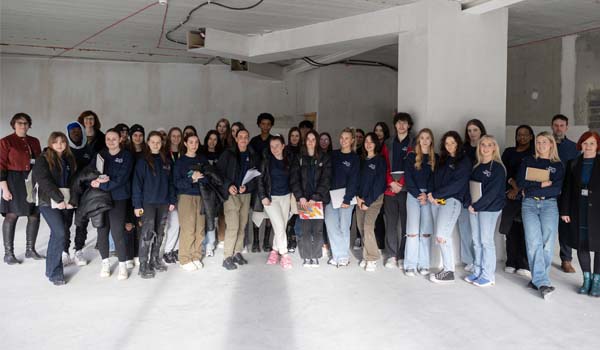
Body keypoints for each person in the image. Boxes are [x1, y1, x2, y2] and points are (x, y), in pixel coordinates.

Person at [517, 131, 565, 299]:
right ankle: (543, 281)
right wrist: (541, 184)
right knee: (533, 242)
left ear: (551, 144)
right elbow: (521, 184)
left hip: (549, 205)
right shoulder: (528, 161)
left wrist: (530, 188)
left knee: (547, 243)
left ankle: (537, 279)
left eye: (545, 142)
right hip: (529, 205)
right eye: (538, 142)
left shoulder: (557, 165)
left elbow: (556, 189)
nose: (541, 145)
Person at [33, 132, 76, 285]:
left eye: (63, 142)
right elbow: (44, 180)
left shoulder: (69, 159)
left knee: (59, 233)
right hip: (47, 201)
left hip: (65, 201)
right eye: (56, 142)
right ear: (50, 143)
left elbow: (74, 181)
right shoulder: (42, 159)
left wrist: (72, 200)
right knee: (59, 232)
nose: (59, 145)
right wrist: (57, 199)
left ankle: (50, 268)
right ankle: (55, 273)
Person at [560, 131, 600, 297]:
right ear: (580, 145)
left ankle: (597, 282)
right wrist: (565, 211)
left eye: (592, 143)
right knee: (581, 243)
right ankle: (587, 279)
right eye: (585, 143)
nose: (588, 146)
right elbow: (567, 188)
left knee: (599, 246)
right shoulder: (573, 163)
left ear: (597, 145)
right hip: (578, 209)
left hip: (598, 210)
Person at [428, 131, 471, 284]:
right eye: (447, 143)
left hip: (452, 201)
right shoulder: (443, 160)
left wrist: (437, 194)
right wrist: (432, 195)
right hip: (437, 202)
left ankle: (449, 271)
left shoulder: (463, 161)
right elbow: (435, 178)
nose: (450, 146)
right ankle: (446, 269)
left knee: (442, 235)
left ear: (458, 143)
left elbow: (457, 184)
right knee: (441, 236)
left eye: (453, 142)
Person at [91, 129, 133, 280]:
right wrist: (95, 180)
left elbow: (121, 179)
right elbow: (92, 171)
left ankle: (122, 265)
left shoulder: (126, 156)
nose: (111, 141)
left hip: (119, 199)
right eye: (108, 138)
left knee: (117, 232)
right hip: (101, 199)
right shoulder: (100, 154)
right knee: (102, 231)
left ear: (120, 139)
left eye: (114, 138)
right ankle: (105, 263)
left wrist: (102, 184)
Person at [132, 131, 176, 278]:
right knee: (147, 234)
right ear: (148, 143)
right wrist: (137, 205)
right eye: (153, 142)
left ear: (161, 143)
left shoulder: (166, 160)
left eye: (158, 142)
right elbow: (137, 184)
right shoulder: (143, 161)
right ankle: (143, 265)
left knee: (160, 232)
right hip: (148, 203)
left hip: (163, 203)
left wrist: (171, 200)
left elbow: (171, 183)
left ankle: (155, 259)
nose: (156, 144)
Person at [464, 136, 506, 287]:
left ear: (494, 148)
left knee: (486, 241)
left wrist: (476, 206)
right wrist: (470, 204)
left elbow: (492, 193)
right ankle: (477, 270)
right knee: (476, 240)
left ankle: (488, 275)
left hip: (489, 208)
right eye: (483, 145)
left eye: (489, 145)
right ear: (479, 147)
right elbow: (469, 187)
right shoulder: (477, 166)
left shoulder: (498, 168)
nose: (486, 148)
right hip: (474, 208)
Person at [1, 113, 42, 264]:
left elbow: (39, 161)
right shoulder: (5, 142)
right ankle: (8, 253)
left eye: (26, 123)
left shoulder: (34, 141)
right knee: (12, 215)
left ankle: (30, 250)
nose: (23, 126)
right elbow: (1, 166)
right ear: (14, 124)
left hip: (32, 179)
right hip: (13, 180)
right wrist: (4, 188)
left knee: (34, 214)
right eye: (20, 123)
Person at [217, 128, 259, 270]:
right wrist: (228, 186)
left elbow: (256, 175)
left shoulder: (253, 154)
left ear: (248, 139)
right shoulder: (228, 154)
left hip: (245, 195)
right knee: (233, 226)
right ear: (236, 139)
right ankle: (227, 256)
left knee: (242, 225)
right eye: (240, 137)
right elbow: (219, 174)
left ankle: (237, 252)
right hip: (231, 195)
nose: (243, 139)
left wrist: (247, 187)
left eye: (245, 137)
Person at [290, 130, 331, 267]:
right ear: (305, 140)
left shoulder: (324, 158)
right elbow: (294, 179)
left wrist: (316, 197)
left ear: (317, 141)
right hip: (304, 200)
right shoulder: (299, 158)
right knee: (305, 230)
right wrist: (300, 196)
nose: (311, 141)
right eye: (308, 139)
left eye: (314, 139)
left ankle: (316, 256)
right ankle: (307, 257)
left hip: (318, 201)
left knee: (318, 230)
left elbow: (326, 180)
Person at [499, 125, 534, 277]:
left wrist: (517, 188)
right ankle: (511, 261)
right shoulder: (509, 152)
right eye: (519, 134)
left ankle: (524, 263)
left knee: (525, 230)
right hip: (510, 196)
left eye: (525, 134)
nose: (522, 137)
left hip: (526, 196)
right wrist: (511, 188)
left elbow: (531, 175)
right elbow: (503, 172)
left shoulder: (534, 154)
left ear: (531, 136)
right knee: (511, 229)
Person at [173, 134, 208, 271]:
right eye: (191, 142)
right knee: (188, 228)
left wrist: (200, 178)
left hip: (201, 196)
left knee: (199, 228)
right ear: (186, 144)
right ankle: (184, 258)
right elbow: (177, 183)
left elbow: (208, 178)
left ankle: (196, 255)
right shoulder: (180, 162)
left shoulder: (202, 160)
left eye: (196, 142)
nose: (194, 145)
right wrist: (192, 179)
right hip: (186, 197)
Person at [324, 128, 359, 267]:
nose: (343, 141)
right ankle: (337, 254)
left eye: (347, 138)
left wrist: (347, 199)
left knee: (344, 227)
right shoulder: (333, 155)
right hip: (331, 196)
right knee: (331, 225)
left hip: (346, 198)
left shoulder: (355, 158)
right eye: (342, 138)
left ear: (352, 141)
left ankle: (343, 257)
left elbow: (354, 180)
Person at [403, 128, 436, 276]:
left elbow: (436, 179)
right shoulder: (411, 157)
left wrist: (427, 194)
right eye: (422, 138)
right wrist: (418, 194)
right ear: (418, 140)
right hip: (413, 195)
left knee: (426, 232)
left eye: (427, 138)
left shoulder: (436, 158)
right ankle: (410, 264)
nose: (424, 140)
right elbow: (408, 179)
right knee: (412, 231)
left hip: (429, 196)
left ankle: (424, 264)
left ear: (431, 140)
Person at [258, 135, 293, 269]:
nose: (274, 149)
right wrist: (263, 196)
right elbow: (260, 180)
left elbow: (293, 177)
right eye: (272, 146)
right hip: (271, 199)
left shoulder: (288, 160)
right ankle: (284, 255)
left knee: (282, 226)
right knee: (278, 225)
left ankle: (274, 251)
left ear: (283, 146)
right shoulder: (266, 161)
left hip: (286, 197)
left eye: (277, 146)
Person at [383, 113, 413, 269]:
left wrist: (401, 183)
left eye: (404, 123)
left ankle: (403, 255)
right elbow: (384, 164)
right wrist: (391, 182)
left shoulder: (414, 142)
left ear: (409, 125)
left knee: (406, 224)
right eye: (398, 123)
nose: (401, 126)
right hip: (390, 190)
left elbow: (414, 166)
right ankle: (391, 255)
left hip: (407, 189)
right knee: (391, 223)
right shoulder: (388, 143)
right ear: (395, 125)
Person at [63, 121, 94, 266]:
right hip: (68, 194)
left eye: (78, 130)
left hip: (84, 194)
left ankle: (78, 250)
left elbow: (92, 170)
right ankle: (64, 251)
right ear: (68, 134)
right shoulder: (64, 150)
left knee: (81, 223)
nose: (75, 133)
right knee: (65, 223)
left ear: (82, 131)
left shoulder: (89, 150)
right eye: (72, 131)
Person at [551, 114, 580, 273]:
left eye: (562, 125)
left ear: (567, 127)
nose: (559, 128)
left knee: (565, 228)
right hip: (547, 193)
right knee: (546, 228)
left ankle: (566, 260)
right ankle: (543, 258)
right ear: (551, 126)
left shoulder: (574, 148)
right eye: (556, 125)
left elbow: (576, 174)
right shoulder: (544, 144)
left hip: (566, 194)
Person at [356, 133, 387, 272]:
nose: (368, 144)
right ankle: (366, 254)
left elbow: (379, 184)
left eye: (371, 142)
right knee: (361, 227)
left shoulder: (380, 160)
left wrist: (368, 201)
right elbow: (356, 180)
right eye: (366, 141)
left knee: (368, 226)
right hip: (360, 199)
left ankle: (372, 258)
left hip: (374, 200)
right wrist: (357, 197)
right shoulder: (361, 160)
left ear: (376, 144)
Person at [249, 113, 275, 253]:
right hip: (257, 180)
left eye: (268, 124)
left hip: (270, 180)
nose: (265, 126)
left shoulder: (273, 140)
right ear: (259, 124)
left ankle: (266, 242)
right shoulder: (253, 141)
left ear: (271, 125)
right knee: (257, 211)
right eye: (263, 124)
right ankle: (255, 242)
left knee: (270, 212)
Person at [202, 130, 224, 257]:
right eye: (210, 138)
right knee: (204, 219)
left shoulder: (221, 155)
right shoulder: (201, 154)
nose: (212, 141)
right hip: (203, 190)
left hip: (216, 192)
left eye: (215, 139)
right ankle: (203, 243)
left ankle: (210, 244)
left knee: (213, 218)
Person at [163, 127, 184, 264]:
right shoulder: (164, 154)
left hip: (183, 193)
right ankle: (167, 251)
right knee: (174, 224)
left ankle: (176, 250)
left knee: (181, 224)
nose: (176, 138)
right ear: (169, 137)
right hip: (170, 193)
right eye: (173, 136)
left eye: (178, 136)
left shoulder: (184, 153)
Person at [285, 127, 302, 252]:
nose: (295, 138)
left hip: (299, 187)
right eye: (292, 136)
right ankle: (286, 237)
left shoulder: (303, 150)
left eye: (297, 135)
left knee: (297, 213)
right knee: (286, 214)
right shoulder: (285, 150)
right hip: (286, 186)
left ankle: (293, 237)